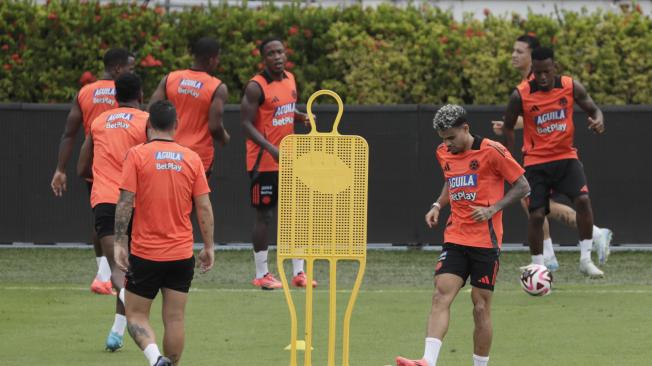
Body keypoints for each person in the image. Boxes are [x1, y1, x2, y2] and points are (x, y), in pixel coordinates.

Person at [396, 105, 530, 366]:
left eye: (451, 137)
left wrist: (493, 209)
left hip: (486, 243)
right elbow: (451, 177)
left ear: (465, 129)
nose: (447, 144)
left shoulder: (493, 151)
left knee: (480, 307)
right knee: (440, 295)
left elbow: (523, 186)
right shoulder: (444, 152)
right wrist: (437, 205)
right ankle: (428, 361)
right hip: (456, 237)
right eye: (442, 139)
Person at [492, 35, 612, 270]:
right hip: (536, 161)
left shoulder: (569, 85)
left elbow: (594, 109)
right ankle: (541, 263)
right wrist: (508, 160)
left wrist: (599, 121)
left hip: (566, 157)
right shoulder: (521, 94)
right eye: (538, 73)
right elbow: (509, 126)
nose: (543, 77)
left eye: (547, 71)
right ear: (533, 71)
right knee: (536, 213)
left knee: (583, 200)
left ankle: (585, 259)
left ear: (554, 67)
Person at [114, 100, 215, 366]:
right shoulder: (192, 158)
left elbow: (125, 200)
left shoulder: (136, 155)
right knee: (175, 319)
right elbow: (204, 206)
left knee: (135, 315)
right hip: (182, 254)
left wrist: (119, 242)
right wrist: (209, 246)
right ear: (177, 125)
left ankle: (155, 358)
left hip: (146, 253)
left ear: (148, 126)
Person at [51, 47, 135, 295]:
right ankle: (114, 275)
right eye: (130, 68)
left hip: (96, 168)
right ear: (118, 68)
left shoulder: (85, 93)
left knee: (101, 217)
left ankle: (103, 275)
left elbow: (69, 133)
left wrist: (60, 169)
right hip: (125, 168)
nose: (132, 72)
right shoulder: (126, 94)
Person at [77, 73, 149, 351]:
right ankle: (124, 326)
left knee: (119, 271)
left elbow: (82, 169)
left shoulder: (98, 122)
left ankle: (117, 333)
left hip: (106, 200)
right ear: (141, 95)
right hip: (136, 201)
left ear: (115, 96)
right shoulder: (146, 121)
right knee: (135, 272)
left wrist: (103, 176)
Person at [240, 37, 315, 289]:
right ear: (264, 59)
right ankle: (262, 275)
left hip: (290, 159)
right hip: (264, 162)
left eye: (280, 51)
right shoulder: (256, 86)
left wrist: (300, 115)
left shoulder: (290, 78)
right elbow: (246, 123)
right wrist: (270, 148)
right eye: (271, 53)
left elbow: (284, 108)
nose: (277, 56)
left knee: (297, 215)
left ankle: (299, 273)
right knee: (265, 216)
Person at [148, 37, 230, 175]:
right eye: (217, 58)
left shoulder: (170, 78)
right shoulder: (217, 87)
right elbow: (215, 126)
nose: (218, 62)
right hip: (198, 156)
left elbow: (151, 111)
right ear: (210, 60)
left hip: (166, 153)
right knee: (195, 196)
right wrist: (224, 138)